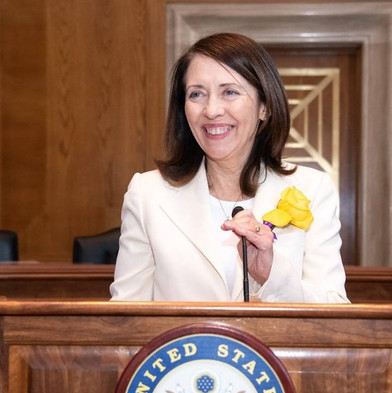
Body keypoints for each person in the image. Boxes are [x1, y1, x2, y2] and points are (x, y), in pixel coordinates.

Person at [110, 33, 348, 303]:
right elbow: (126, 319)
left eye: (230, 92)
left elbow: (334, 311)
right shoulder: (147, 194)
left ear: (264, 107)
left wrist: (272, 275)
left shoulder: (311, 189)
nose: (211, 110)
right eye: (197, 94)